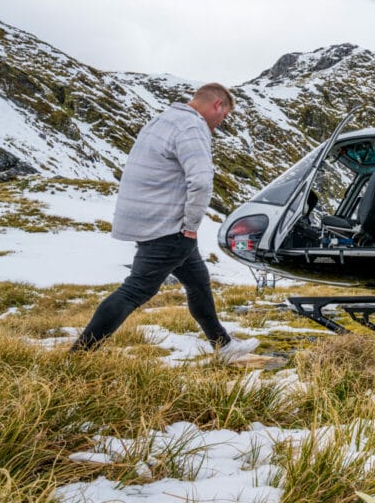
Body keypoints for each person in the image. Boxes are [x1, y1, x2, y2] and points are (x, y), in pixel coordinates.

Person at [72, 83, 258, 361]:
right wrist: (190, 227)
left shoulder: (163, 120)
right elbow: (201, 182)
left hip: (148, 219)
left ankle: (223, 345)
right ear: (217, 105)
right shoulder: (193, 128)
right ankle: (78, 356)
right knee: (135, 290)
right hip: (167, 226)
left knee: (198, 281)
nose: (221, 123)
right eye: (224, 116)